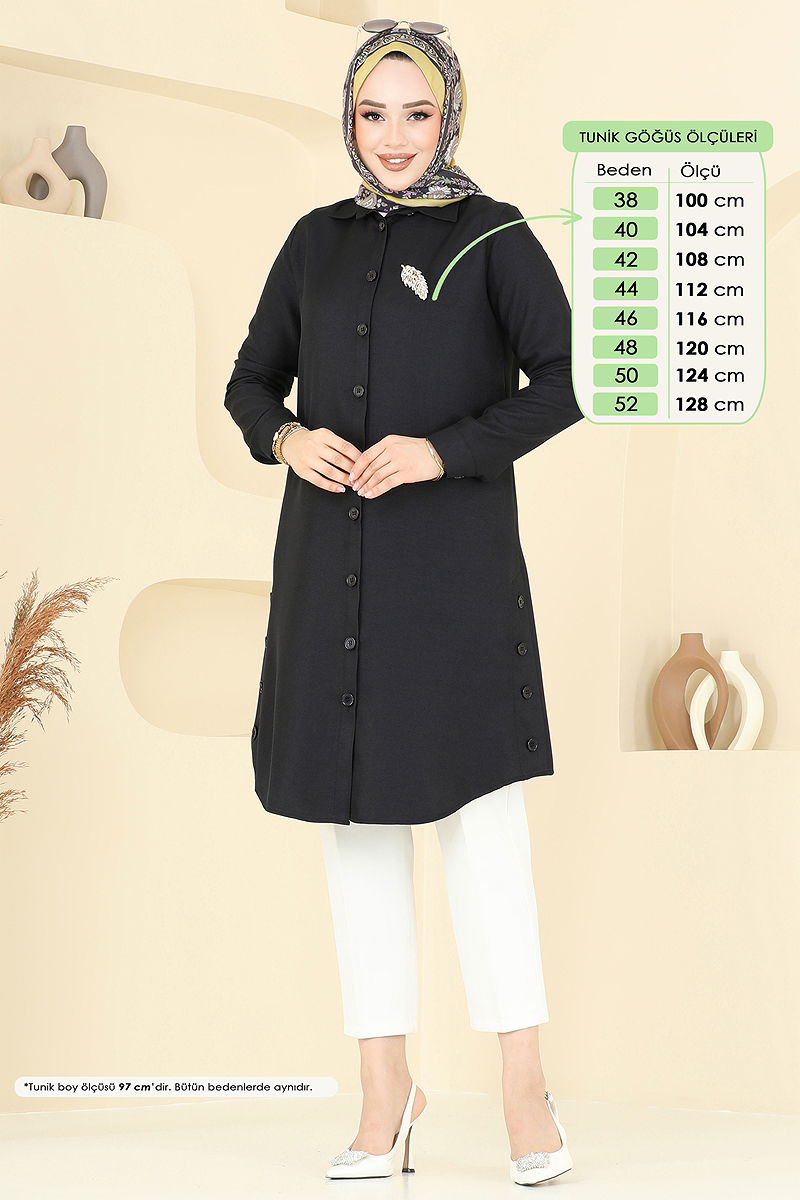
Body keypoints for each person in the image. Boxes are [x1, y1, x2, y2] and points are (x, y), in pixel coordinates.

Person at [224, 18, 584, 1185]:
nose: (391, 137)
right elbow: (249, 382)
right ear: (348, 119)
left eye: (414, 113)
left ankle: (523, 1089)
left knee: (482, 829)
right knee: (357, 833)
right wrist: (288, 439)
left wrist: (442, 451)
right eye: (370, 114)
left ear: (448, 117)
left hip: (454, 580)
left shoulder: (495, 235)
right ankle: (387, 1095)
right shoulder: (312, 242)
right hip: (330, 577)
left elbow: (567, 378)